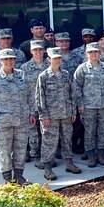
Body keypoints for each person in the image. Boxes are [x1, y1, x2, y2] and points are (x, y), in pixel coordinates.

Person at [0, 48, 36, 185]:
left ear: (15, 60)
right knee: (4, 152)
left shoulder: (22, 76)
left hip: (21, 121)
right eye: (5, 59)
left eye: (11, 59)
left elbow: (30, 96)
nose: (9, 61)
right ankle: (7, 180)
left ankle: (19, 176)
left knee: (21, 150)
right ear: (0, 61)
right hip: (3, 122)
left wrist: (32, 113)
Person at [36, 48, 82, 180]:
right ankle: (47, 168)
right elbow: (40, 98)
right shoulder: (43, 76)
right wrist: (44, 116)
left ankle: (69, 163)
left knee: (67, 139)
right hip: (51, 116)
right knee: (49, 142)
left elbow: (72, 94)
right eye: (54, 58)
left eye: (59, 58)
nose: (57, 60)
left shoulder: (66, 74)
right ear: (48, 59)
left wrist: (73, 111)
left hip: (66, 114)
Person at [73, 43, 104, 168]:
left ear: (99, 53)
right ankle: (91, 155)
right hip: (88, 107)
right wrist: (80, 104)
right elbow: (76, 87)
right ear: (87, 54)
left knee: (103, 131)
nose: (94, 54)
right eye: (91, 52)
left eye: (96, 52)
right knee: (89, 132)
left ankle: (101, 154)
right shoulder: (82, 69)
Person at [20, 40, 49, 165]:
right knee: (33, 132)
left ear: (44, 51)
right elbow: (22, 89)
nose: (38, 52)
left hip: (47, 104)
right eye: (35, 50)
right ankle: (36, 154)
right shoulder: (24, 68)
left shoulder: (50, 65)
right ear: (31, 52)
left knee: (47, 131)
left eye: (40, 49)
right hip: (31, 104)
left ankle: (46, 155)